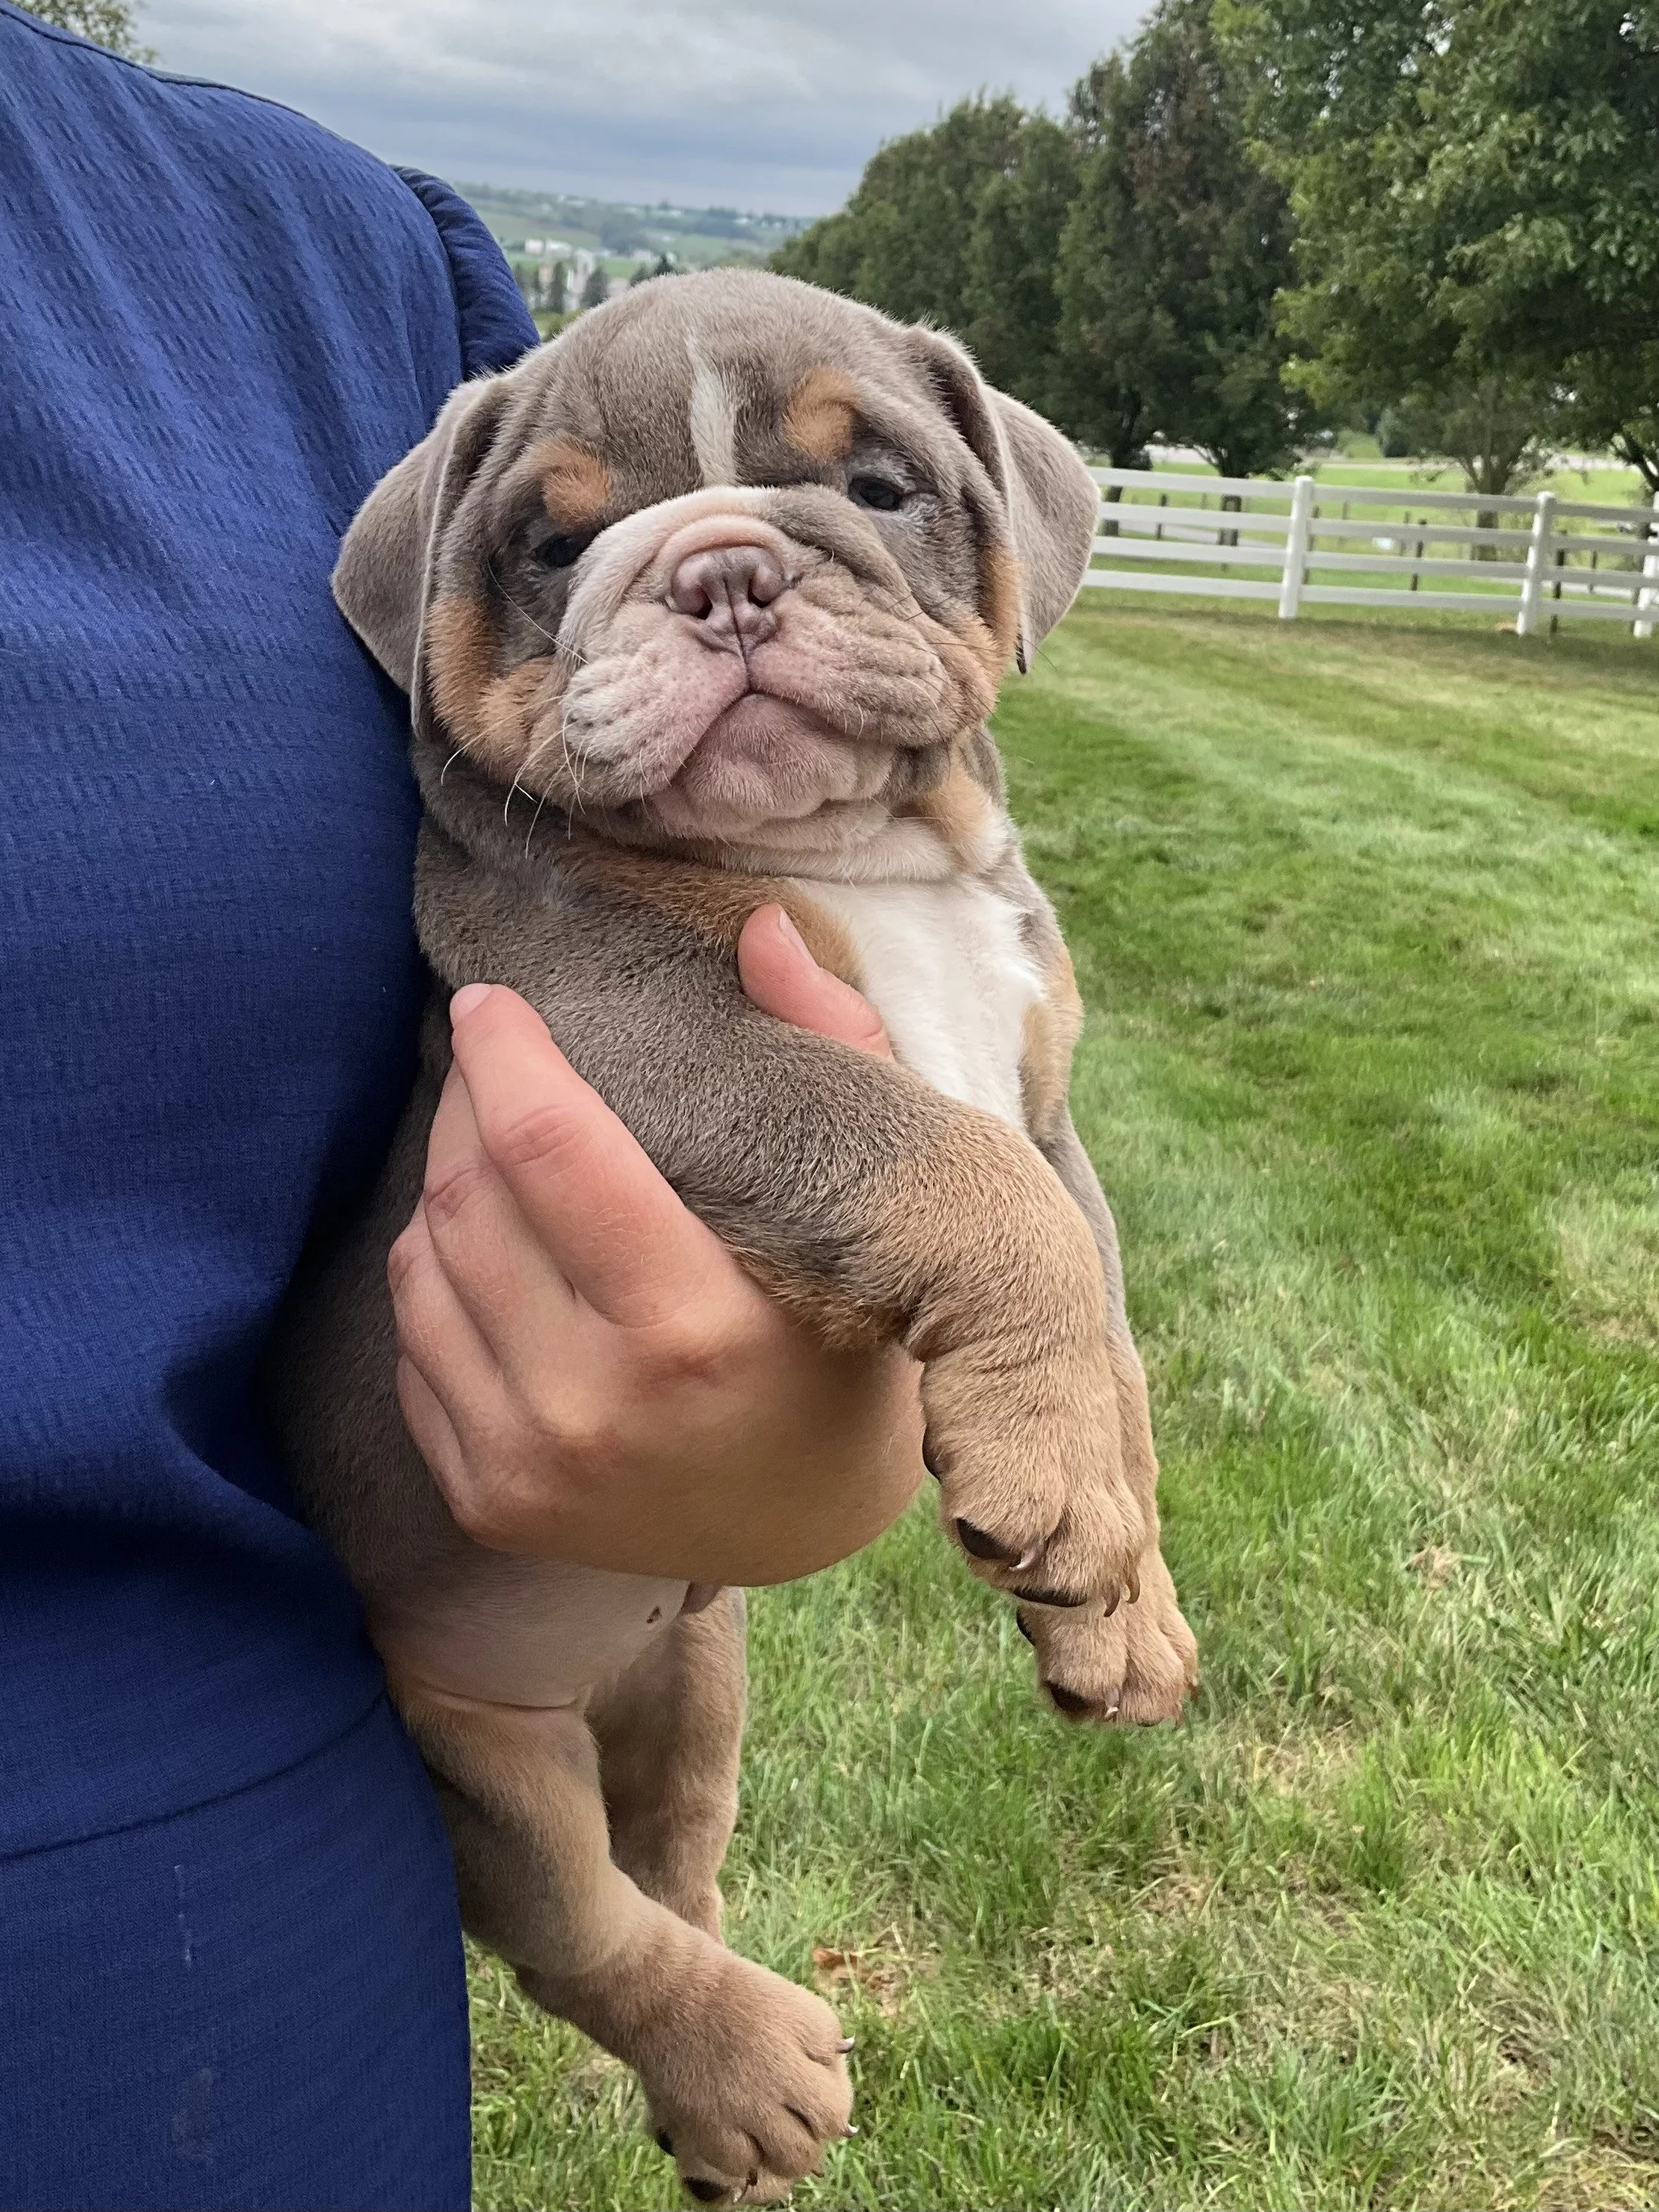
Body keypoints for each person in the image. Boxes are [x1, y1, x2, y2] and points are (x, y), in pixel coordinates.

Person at [0, 9, 923, 2207]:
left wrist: (819, 1436)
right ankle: (640, 1951)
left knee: (677, 1736)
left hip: (231, 1946)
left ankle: (661, 1917)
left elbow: (630, 940)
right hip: (224, 1835)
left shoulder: (320, 275)